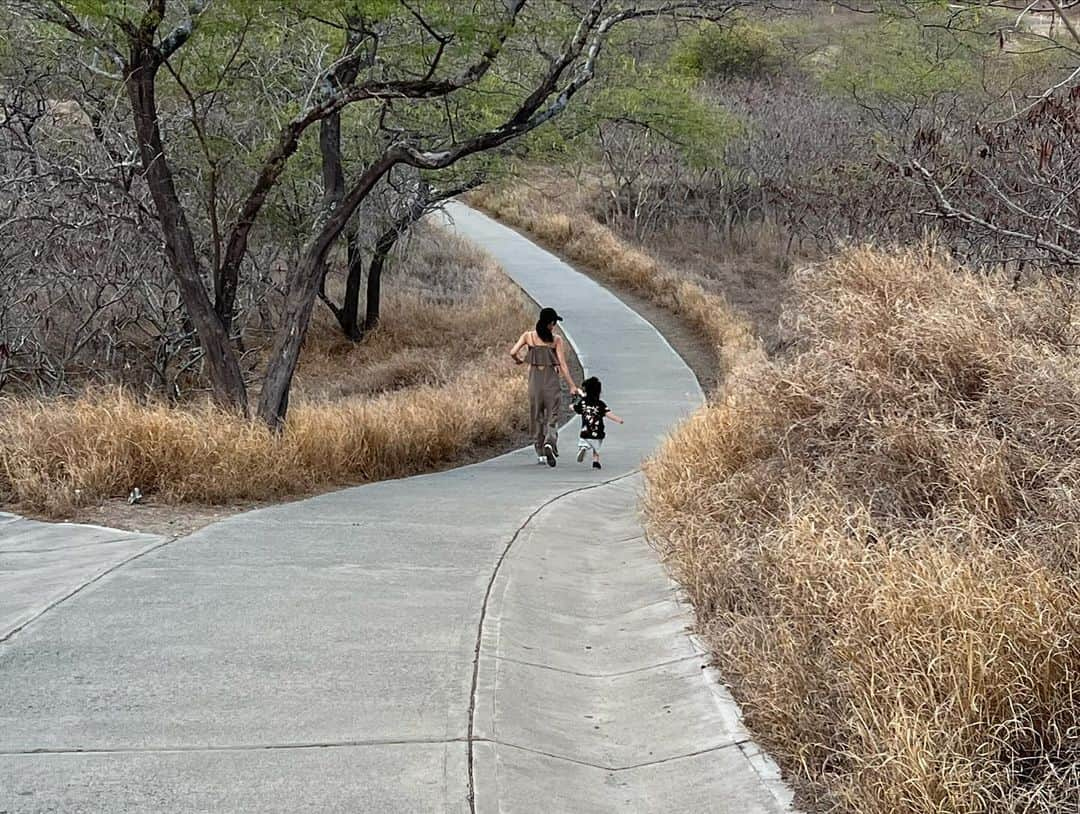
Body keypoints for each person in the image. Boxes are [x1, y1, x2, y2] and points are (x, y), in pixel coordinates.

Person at [509, 307, 579, 467]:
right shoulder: (556, 340)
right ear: (550, 324)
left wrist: (519, 360)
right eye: (554, 323)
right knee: (552, 417)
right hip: (551, 382)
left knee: (537, 415)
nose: (554, 326)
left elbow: (512, 352)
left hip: (535, 382)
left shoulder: (528, 336)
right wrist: (572, 386)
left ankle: (540, 451)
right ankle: (550, 442)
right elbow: (562, 365)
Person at [572, 376, 624, 470]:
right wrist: (618, 419)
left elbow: (575, 408)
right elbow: (608, 414)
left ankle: (583, 448)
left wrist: (571, 405)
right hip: (598, 430)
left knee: (584, 442)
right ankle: (596, 462)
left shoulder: (583, 403)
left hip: (585, 430)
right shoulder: (600, 404)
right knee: (596, 447)